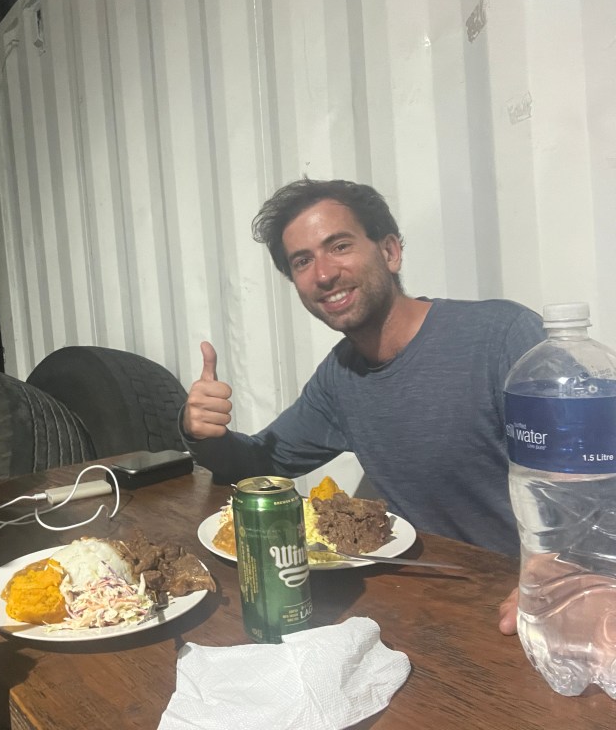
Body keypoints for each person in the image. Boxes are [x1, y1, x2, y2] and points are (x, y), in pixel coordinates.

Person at [180, 177, 544, 634]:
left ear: (390, 252)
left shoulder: (501, 335)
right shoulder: (341, 377)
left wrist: (564, 573)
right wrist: (201, 430)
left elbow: (591, 480)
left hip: (528, 601)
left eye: (339, 246)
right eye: (302, 261)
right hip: (423, 604)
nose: (324, 273)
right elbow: (258, 463)